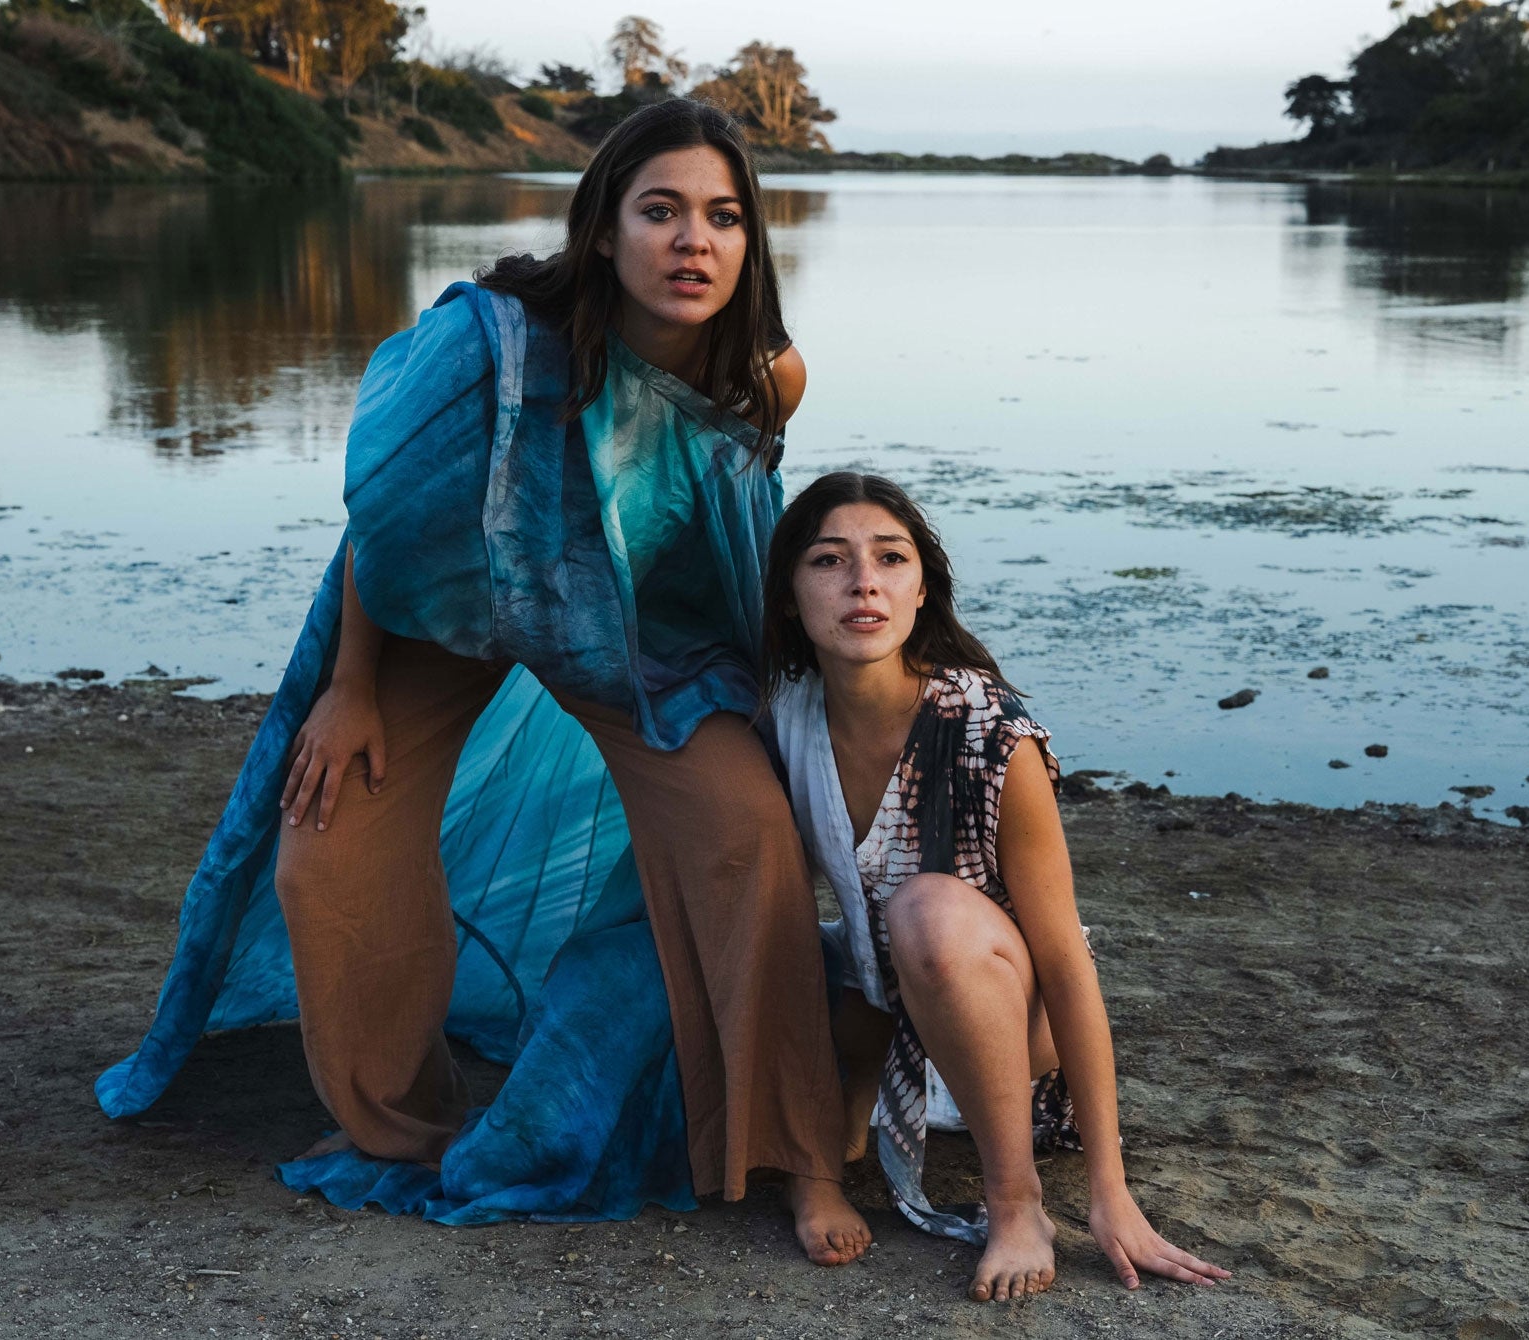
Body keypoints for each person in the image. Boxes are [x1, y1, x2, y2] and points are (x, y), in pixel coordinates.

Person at [94, 99, 869, 1266]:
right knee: (326, 844)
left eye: (721, 216)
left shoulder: (766, 373)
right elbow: (387, 520)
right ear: (603, 231)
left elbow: (724, 535)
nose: (691, 241)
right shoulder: (494, 342)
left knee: (748, 831)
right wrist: (351, 683)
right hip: (448, 614)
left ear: (751, 241)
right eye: (659, 211)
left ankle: (794, 1148)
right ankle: (405, 1122)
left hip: (628, 634)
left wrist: (781, 697)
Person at [763, 472, 1231, 1301]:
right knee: (783, 937)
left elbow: (1065, 959)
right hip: (889, 989)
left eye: (890, 559)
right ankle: (829, 1147)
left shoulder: (990, 734)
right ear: (792, 595)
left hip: (1012, 1009)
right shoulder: (784, 717)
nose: (862, 581)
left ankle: (1016, 1201)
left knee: (927, 912)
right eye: (829, 561)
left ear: (921, 592)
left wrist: (1110, 1190)